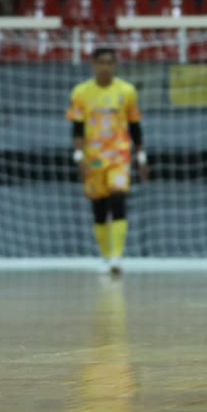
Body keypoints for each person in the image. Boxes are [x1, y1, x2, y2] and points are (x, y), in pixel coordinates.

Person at [67, 48, 149, 276]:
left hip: (120, 155)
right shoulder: (81, 93)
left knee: (118, 198)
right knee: (100, 208)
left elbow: (135, 126)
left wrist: (142, 157)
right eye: (101, 62)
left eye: (109, 62)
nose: (105, 67)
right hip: (93, 159)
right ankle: (105, 256)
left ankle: (117, 257)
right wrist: (79, 157)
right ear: (93, 65)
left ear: (115, 65)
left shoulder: (127, 91)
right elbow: (76, 128)